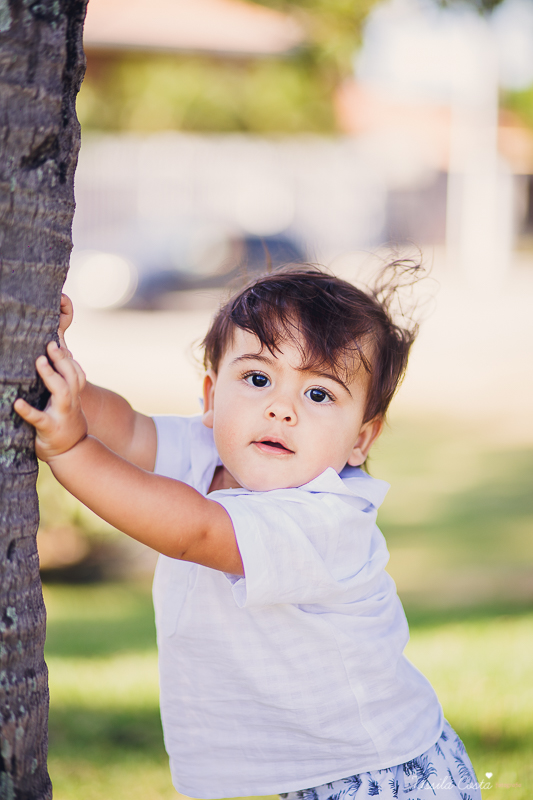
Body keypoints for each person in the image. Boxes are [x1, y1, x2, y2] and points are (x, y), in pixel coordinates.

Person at [15, 267, 481, 800]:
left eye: (320, 394)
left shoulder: (325, 519)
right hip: (315, 766)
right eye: (258, 379)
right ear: (212, 398)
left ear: (361, 439)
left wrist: (72, 452)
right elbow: (127, 428)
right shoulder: (206, 449)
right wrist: (61, 370)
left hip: (381, 771)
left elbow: (193, 530)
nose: (281, 408)